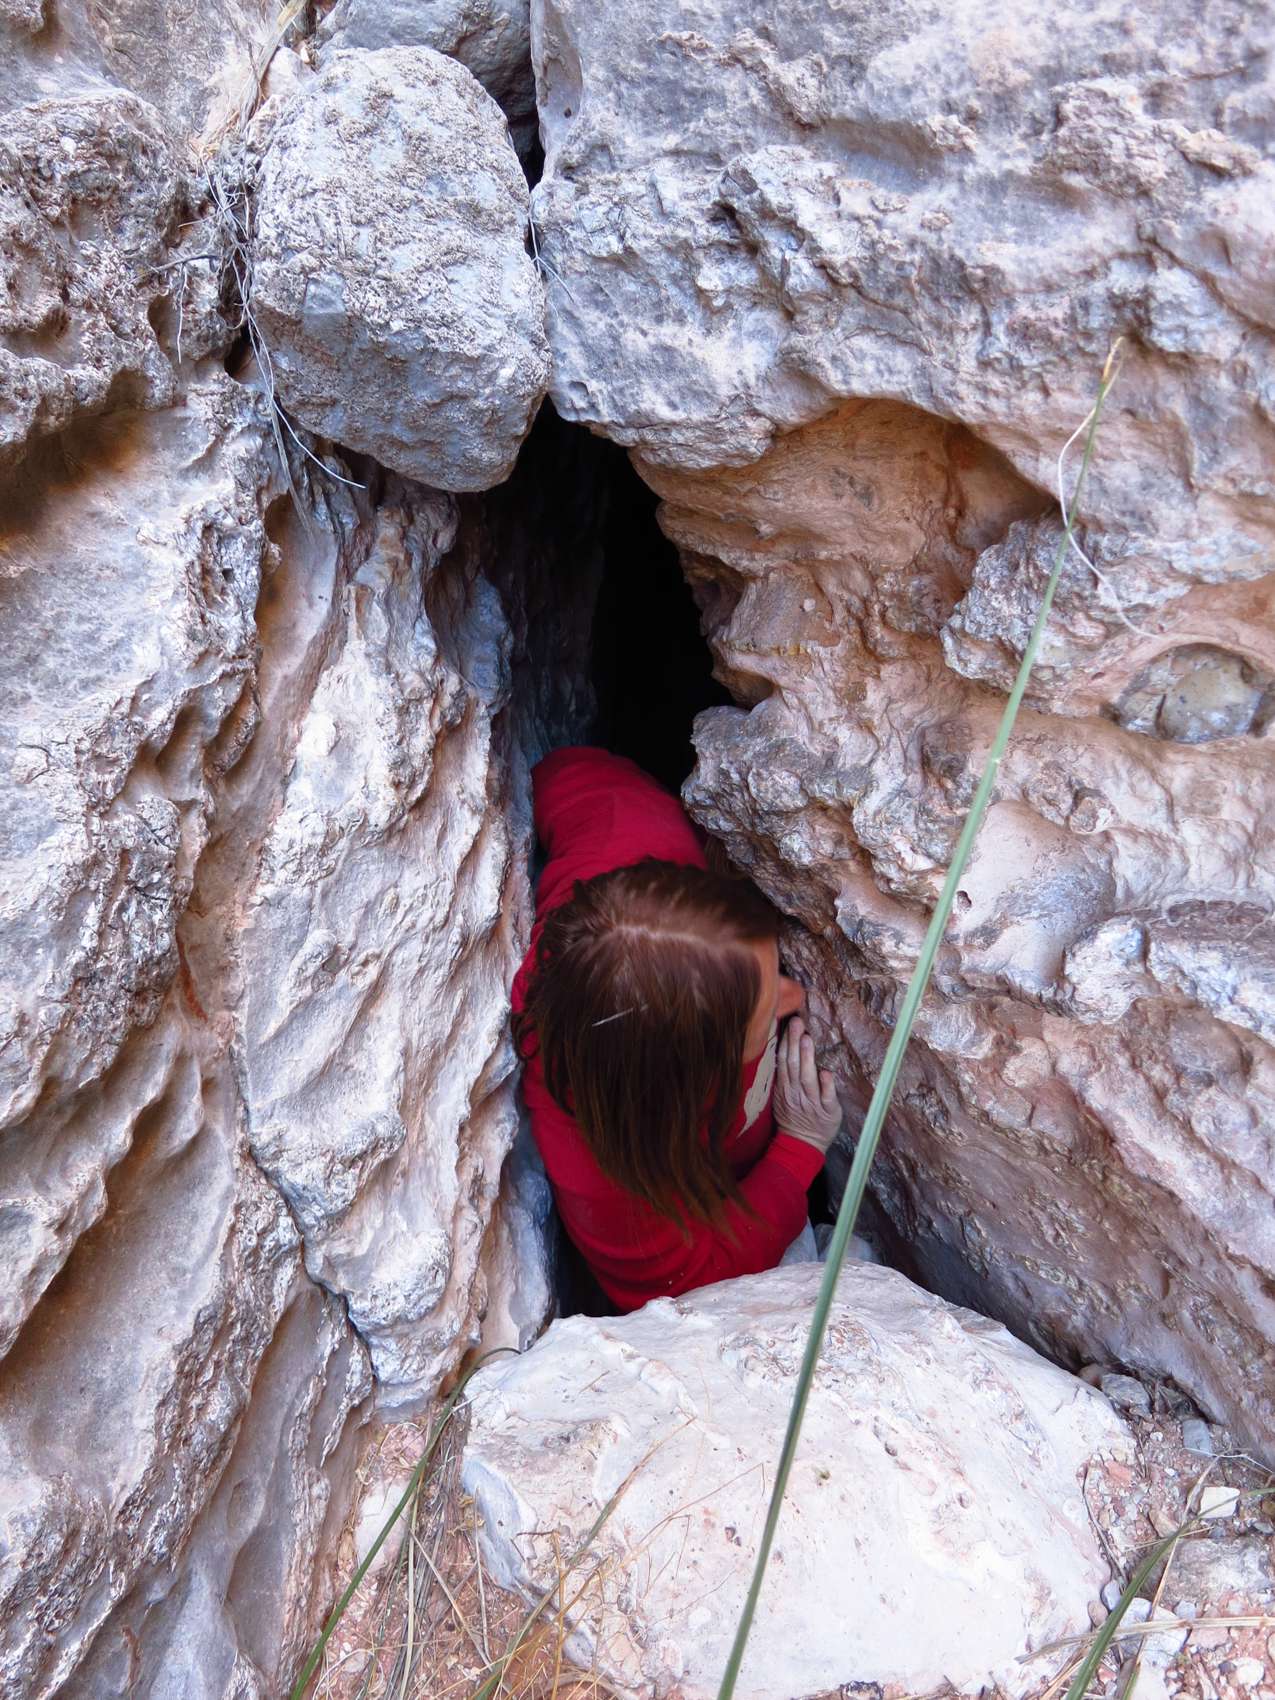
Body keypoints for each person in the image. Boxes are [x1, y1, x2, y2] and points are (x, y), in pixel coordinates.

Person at [511, 746, 843, 1313]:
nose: (798, 998)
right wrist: (800, 1149)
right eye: (766, 1012)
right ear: (677, 1073)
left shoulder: (634, 836)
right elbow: (689, 1279)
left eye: (776, 972)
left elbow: (564, 773)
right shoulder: (610, 1177)